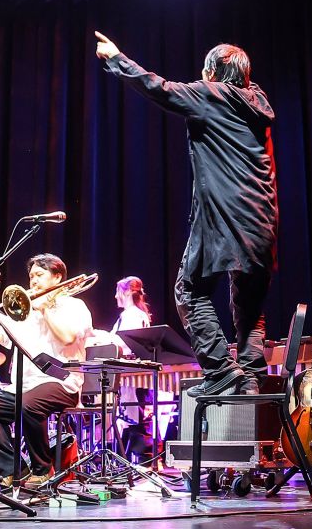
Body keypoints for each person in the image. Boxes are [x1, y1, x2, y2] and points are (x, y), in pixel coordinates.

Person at [96, 32, 278, 396]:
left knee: (189, 290)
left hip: (225, 218)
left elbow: (159, 88)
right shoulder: (258, 101)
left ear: (212, 73)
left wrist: (116, 58)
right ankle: (253, 379)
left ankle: (223, 372)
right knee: (249, 307)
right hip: (264, 224)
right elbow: (237, 77)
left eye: (205, 70)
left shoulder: (213, 95)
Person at [0, 253, 93, 486]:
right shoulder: (24, 310)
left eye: (39, 275)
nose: (33, 281)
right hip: (22, 387)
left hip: (62, 383)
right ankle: (13, 468)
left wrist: (45, 310)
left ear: (57, 277)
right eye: (31, 275)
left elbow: (67, 337)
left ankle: (42, 469)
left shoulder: (74, 306)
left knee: (29, 405)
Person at [110, 275, 152, 355]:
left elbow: (124, 342)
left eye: (118, 291)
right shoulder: (134, 313)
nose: (116, 296)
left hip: (127, 365)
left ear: (128, 291)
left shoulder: (133, 315)